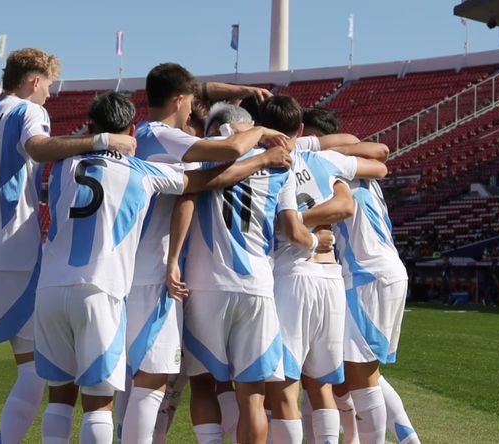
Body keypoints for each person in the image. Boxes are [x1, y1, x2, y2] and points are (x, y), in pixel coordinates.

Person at [34, 91, 293, 444]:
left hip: (51, 288)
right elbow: (198, 182)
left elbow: (41, 148)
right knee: (124, 394)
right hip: (118, 285)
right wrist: (262, 151)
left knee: (61, 398)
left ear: (91, 126)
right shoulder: (142, 171)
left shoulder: (60, 167)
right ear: (130, 127)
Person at [0, 48, 137, 444]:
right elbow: (39, 149)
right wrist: (100, 139)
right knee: (32, 370)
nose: (50, 97)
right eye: (50, 87)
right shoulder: (28, 112)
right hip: (14, 253)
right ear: (35, 80)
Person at [119, 63, 289, 444]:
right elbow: (221, 158)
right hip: (158, 272)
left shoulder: (143, 135)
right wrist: (260, 137)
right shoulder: (162, 135)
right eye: (192, 100)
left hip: (156, 271)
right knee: (153, 383)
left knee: (155, 383)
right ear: (180, 100)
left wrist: (238, 90)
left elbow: (197, 178)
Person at [261, 96, 388, 444]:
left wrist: (304, 231)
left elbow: (287, 227)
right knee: (322, 386)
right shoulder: (324, 159)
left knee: (284, 388)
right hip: (330, 278)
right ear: (300, 129)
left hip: (292, 275)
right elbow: (380, 162)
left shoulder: (266, 164)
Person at [301, 110, 420, 444]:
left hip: (367, 274)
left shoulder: (326, 163)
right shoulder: (355, 164)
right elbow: (379, 152)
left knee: (362, 376)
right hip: (379, 271)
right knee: (349, 372)